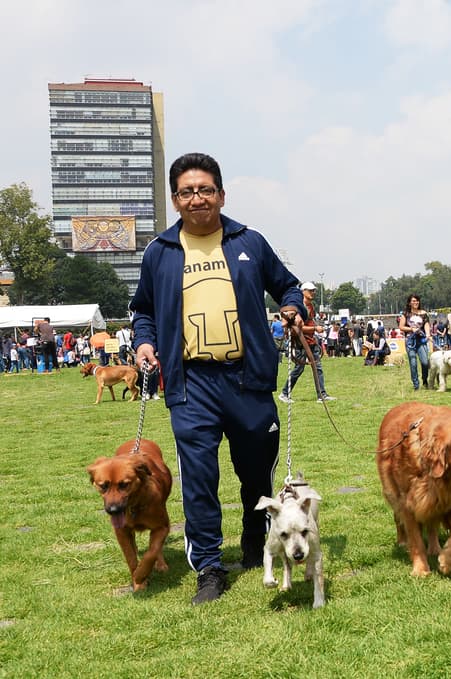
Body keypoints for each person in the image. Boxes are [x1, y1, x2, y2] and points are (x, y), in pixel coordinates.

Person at [131, 152, 307, 604]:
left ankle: (254, 540)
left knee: (255, 474)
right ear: (175, 200)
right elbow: (144, 311)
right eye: (187, 191)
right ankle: (209, 568)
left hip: (247, 379)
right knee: (199, 478)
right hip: (191, 382)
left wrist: (292, 309)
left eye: (205, 189)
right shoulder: (160, 251)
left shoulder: (250, 242)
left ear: (221, 194)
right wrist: (144, 342)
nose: (197, 198)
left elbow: (288, 286)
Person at [280, 282, 335, 403]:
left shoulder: (311, 307)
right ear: (303, 291)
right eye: (310, 290)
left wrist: (316, 328)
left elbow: (310, 323)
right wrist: (315, 329)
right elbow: (298, 327)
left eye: (314, 290)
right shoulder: (298, 308)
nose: (313, 293)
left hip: (311, 341)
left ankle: (322, 395)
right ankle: (284, 393)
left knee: (318, 368)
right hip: (301, 342)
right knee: (299, 369)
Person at [398, 294, 431, 389]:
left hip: (421, 339)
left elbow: (426, 325)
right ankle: (416, 385)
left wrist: (428, 334)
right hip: (410, 340)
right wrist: (411, 329)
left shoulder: (423, 313)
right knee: (413, 363)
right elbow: (401, 327)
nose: (415, 302)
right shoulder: (405, 314)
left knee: (425, 362)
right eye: (413, 301)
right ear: (409, 303)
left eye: (417, 300)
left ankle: (425, 380)